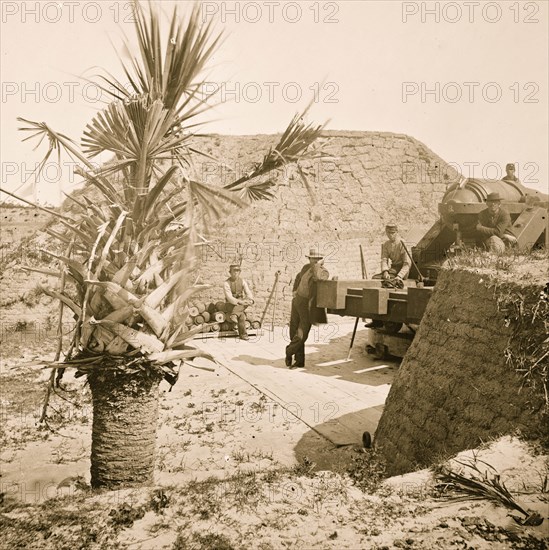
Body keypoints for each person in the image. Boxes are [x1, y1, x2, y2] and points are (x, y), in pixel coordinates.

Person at [285, 248, 329, 369]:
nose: (313, 261)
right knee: (293, 330)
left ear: (321, 260)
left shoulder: (323, 272)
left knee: (302, 333)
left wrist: (317, 266)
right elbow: (298, 278)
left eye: (316, 259)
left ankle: (289, 351)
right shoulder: (305, 267)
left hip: (308, 306)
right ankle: (299, 361)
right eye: (311, 259)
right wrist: (294, 290)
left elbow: (318, 278)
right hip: (297, 301)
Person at [365, 223, 411, 327]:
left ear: (397, 232)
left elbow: (407, 263)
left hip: (402, 269)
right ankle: (376, 320)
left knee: (390, 283)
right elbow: (384, 259)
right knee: (375, 280)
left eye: (393, 233)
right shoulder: (386, 245)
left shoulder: (402, 243)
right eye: (389, 233)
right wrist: (385, 271)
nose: (391, 235)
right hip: (392, 269)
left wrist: (399, 277)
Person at [223, 264, 254, 340]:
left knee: (244, 305)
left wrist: (251, 300)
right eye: (234, 271)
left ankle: (234, 315)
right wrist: (240, 302)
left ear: (239, 272)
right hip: (230, 304)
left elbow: (248, 292)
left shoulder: (242, 281)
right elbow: (229, 298)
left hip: (241, 304)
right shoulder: (226, 283)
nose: (236, 273)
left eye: (237, 271)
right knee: (242, 315)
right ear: (230, 272)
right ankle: (243, 335)